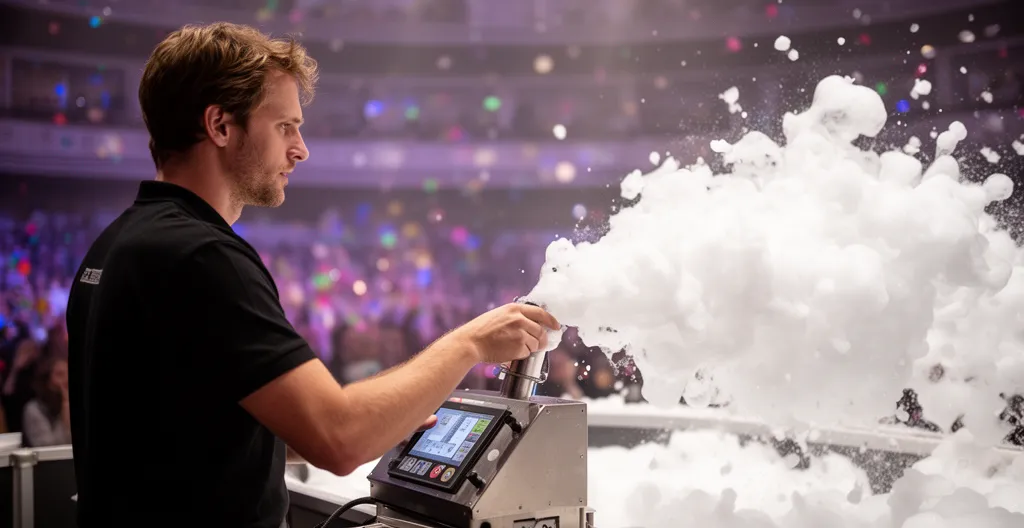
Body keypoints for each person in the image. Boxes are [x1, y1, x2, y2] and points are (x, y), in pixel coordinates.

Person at [65, 22, 559, 528]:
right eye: (284, 126)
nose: (300, 149)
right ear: (219, 125)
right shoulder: (201, 256)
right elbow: (338, 438)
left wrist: (385, 419)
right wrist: (470, 344)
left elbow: (188, 431)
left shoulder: (118, 242)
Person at [22, 355, 71, 447]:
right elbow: (48, 445)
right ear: (47, 380)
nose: (66, 379)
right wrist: (66, 406)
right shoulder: (33, 409)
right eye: (60, 374)